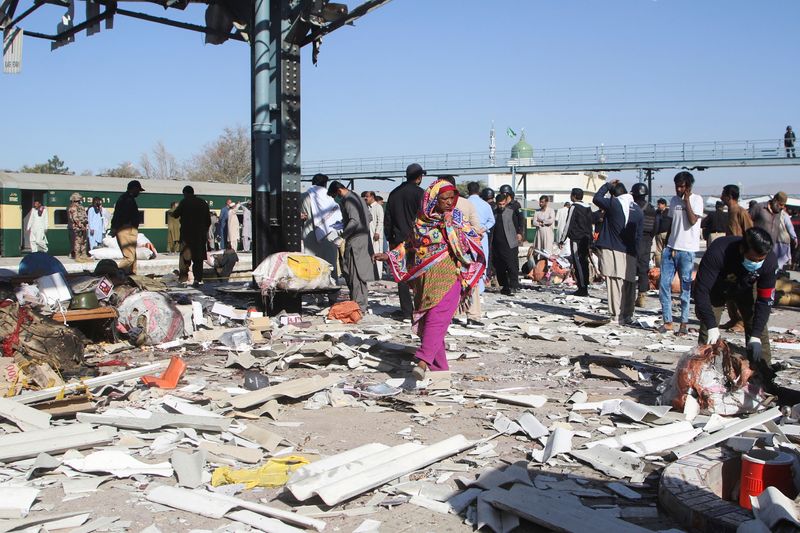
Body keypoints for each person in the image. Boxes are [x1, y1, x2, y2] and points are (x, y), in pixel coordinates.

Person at [375, 179, 485, 380]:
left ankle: (423, 360)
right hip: (425, 280)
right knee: (430, 320)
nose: (450, 202)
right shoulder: (421, 223)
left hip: (451, 274)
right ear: (433, 200)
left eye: (452, 198)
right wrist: (390, 255)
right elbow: (409, 246)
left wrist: (468, 237)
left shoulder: (457, 219)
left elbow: (473, 239)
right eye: (444, 199)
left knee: (438, 316)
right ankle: (439, 369)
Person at [695, 228, 777, 386]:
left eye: (761, 260)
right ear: (742, 249)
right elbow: (701, 291)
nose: (757, 263)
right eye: (753, 259)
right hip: (716, 288)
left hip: (746, 288)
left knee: (759, 334)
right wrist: (712, 325)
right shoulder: (718, 251)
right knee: (708, 336)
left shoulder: (769, 262)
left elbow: (765, 300)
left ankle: (764, 380)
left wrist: (756, 335)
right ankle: (703, 380)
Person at [659, 171, 703, 336]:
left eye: (682, 186)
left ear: (689, 187)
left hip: (687, 251)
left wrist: (686, 202)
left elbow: (692, 221)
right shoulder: (673, 200)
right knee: (664, 285)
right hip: (671, 249)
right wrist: (666, 243)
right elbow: (672, 223)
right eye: (677, 186)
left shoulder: (697, 200)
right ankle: (668, 321)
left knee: (685, 289)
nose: (678, 189)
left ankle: (683, 323)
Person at [593, 180, 643, 324]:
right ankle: (627, 314)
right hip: (630, 251)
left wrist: (608, 185)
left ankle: (616, 316)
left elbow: (597, 198)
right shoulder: (638, 209)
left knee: (614, 282)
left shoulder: (614, 204)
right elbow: (639, 236)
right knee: (629, 284)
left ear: (614, 195)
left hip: (613, 247)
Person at [385, 163, 426, 319]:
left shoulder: (394, 193)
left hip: (399, 241)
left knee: (402, 276)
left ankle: (407, 311)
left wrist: (390, 239)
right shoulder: (421, 194)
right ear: (419, 177)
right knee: (420, 275)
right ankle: (420, 309)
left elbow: (388, 220)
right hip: (418, 242)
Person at [328, 181, 377, 311]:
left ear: (338, 192)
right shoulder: (358, 198)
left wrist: (342, 236)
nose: (336, 200)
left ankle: (357, 306)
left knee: (354, 274)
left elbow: (354, 221)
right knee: (360, 275)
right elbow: (369, 217)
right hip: (363, 239)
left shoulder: (348, 200)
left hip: (355, 241)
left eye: (334, 196)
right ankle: (361, 305)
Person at [720, 184, 753, 332]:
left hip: (741, 257)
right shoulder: (729, 212)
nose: (721, 196)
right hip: (730, 256)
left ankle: (741, 321)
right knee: (728, 289)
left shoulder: (741, 212)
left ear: (729, 196)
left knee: (739, 289)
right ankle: (733, 318)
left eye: (723, 194)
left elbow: (750, 232)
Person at [300, 173, 342, 279]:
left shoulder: (304, 196)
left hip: (310, 234)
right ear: (325, 184)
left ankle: (311, 291)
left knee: (311, 263)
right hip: (329, 234)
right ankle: (332, 290)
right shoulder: (330, 198)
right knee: (330, 263)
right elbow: (338, 217)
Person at [171, 185, 212, 286]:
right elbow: (208, 221)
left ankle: (183, 279)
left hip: (187, 236)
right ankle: (197, 279)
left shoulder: (185, 202)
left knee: (185, 258)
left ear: (185, 193)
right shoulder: (203, 203)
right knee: (198, 259)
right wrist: (203, 231)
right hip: (199, 236)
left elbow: (175, 214)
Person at [558, 188, 593, 297]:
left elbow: (568, 223)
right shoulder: (588, 207)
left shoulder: (574, 207)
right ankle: (584, 286)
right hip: (586, 239)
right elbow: (590, 224)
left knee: (578, 263)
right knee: (584, 263)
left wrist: (562, 239)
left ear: (573, 196)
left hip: (577, 239)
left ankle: (582, 288)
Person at [110, 180, 145, 274]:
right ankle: (110, 273)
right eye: (138, 190)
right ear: (134, 188)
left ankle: (132, 276)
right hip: (126, 229)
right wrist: (115, 227)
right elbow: (120, 215)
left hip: (127, 229)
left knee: (133, 258)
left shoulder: (125, 198)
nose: (139, 193)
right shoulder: (127, 199)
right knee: (129, 258)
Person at [631, 183, 657, 307]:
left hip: (633, 240)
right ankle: (641, 297)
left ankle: (629, 295)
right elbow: (656, 226)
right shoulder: (651, 209)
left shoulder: (632, 207)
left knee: (629, 269)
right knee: (643, 269)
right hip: (647, 240)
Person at [492, 193, 521, 296]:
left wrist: (519, 233)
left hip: (510, 243)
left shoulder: (511, 212)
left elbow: (518, 223)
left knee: (511, 265)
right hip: (497, 244)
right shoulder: (493, 213)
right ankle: (505, 286)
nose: (501, 206)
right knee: (499, 267)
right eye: (500, 204)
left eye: (503, 204)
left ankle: (514, 285)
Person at [750, 192, 788, 256]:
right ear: (775, 200)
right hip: (756, 246)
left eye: (784, 205)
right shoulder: (759, 207)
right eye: (781, 204)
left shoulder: (779, 212)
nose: (783, 207)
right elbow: (747, 221)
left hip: (770, 248)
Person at [361, 191, 385, 278]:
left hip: (375, 236)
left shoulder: (378, 207)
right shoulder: (366, 207)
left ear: (372, 197)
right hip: (368, 235)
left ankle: (378, 275)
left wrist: (377, 232)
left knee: (377, 254)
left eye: (367, 196)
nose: (365, 198)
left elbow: (380, 221)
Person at [67, 192, 91, 262]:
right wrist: (80, 225)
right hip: (78, 227)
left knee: (84, 241)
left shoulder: (81, 207)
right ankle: (77, 255)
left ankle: (83, 255)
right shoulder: (73, 208)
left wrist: (85, 223)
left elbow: (85, 216)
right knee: (78, 241)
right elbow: (74, 218)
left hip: (84, 226)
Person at [654, 198, 670, 267]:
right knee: (658, 252)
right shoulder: (656, 212)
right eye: (658, 204)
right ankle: (659, 267)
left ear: (664, 205)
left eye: (660, 204)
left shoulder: (669, 212)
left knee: (667, 251)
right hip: (658, 234)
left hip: (667, 234)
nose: (658, 205)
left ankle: (667, 266)